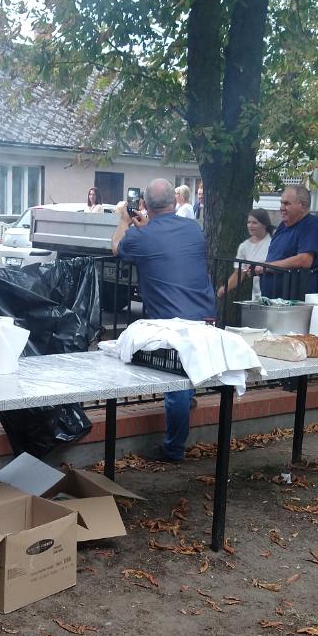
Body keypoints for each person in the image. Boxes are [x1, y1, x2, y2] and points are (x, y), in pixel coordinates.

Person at [111, 177, 217, 462]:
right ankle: (184, 413)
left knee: (177, 385)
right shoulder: (195, 229)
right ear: (175, 202)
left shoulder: (143, 235)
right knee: (184, 378)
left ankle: (173, 449)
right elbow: (164, 240)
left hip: (172, 321)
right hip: (204, 313)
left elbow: (118, 247)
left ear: (144, 204)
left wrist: (125, 221)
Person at [257, 185, 318, 299]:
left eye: (287, 203)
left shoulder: (311, 225)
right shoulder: (283, 226)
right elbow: (278, 257)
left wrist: (267, 266)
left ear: (302, 206)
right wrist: (260, 266)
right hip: (274, 299)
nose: (282, 208)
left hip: (294, 301)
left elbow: (304, 260)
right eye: (281, 203)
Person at [216, 208, 273, 302]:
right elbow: (239, 273)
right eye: (249, 222)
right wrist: (225, 288)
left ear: (264, 224)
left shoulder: (273, 242)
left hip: (274, 292)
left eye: (255, 222)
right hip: (257, 296)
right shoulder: (244, 246)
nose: (250, 225)